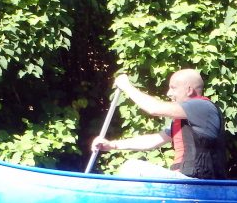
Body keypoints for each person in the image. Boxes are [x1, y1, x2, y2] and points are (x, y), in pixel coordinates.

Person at [92, 69, 227, 179]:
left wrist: (127, 87)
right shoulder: (183, 119)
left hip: (200, 184)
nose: (169, 93)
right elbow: (153, 140)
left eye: (173, 88)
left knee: (132, 167)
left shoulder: (202, 107)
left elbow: (154, 108)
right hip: (185, 181)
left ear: (189, 90)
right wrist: (113, 145)